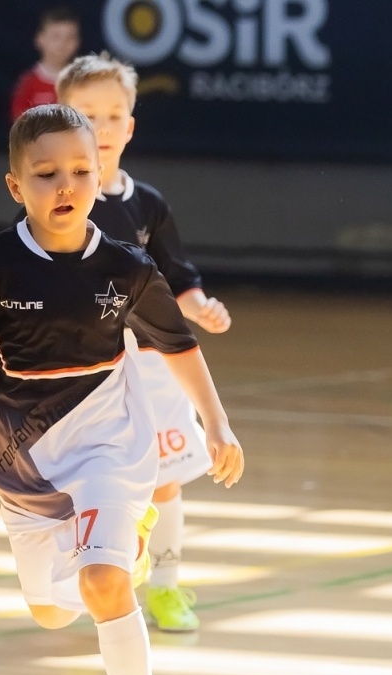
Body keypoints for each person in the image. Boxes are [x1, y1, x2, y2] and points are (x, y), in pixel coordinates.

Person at [0, 105, 245, 675]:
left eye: (80, 169)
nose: (66, 184)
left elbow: (178, 345)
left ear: (100, 174)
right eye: (46, 174)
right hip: (21, 463)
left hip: (110, 447)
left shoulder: (128, 267)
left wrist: (215, 423)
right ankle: (109, 559)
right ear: (16, 187)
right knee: (49, 612)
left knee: (102, 583)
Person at [59, 53, 234, 633]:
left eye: (114, 115)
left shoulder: (148, 204)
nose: (102, 128)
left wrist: (198, 305)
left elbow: (177, 277)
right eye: (87, 115)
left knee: (165, 480)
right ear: (61, 121)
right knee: (91, 482)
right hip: (86, 370)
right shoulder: (54, 202)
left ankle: (165, 585)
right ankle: (96, 581)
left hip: (153, 365)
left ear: (130, 126)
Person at [10, 7, 80, 120]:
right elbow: (19, 128)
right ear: (40, 39)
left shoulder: (82, 82)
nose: (63, 43)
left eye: (70, 37)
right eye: (56, 37)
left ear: (78, 41)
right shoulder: (27, 83)